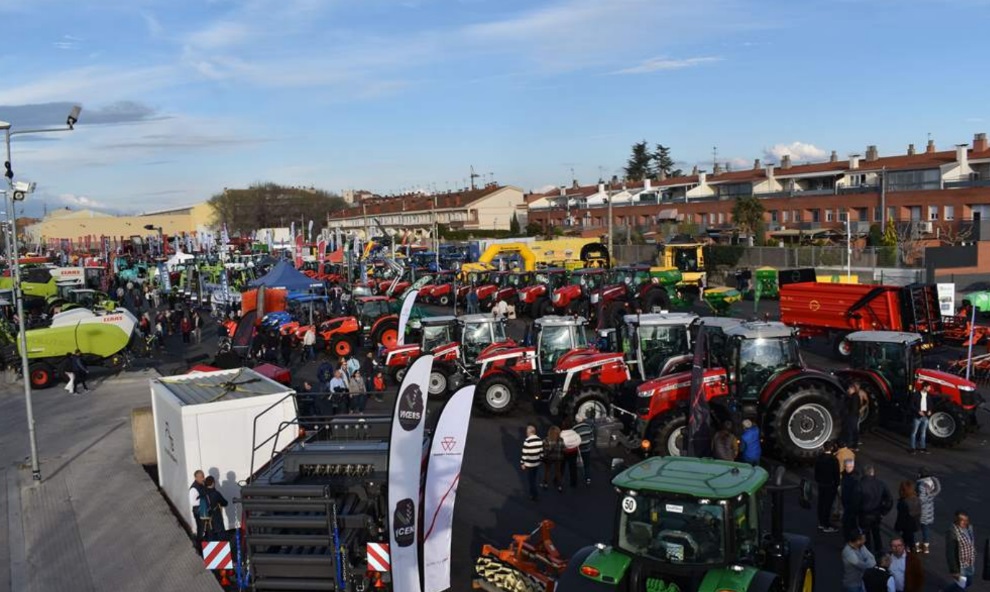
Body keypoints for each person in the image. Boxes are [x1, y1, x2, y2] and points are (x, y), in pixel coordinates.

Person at [860, 464, 893, 555]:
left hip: (864, 514)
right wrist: (884, 512)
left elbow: (855, 501)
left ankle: (867, 551)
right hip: (877, 514)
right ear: (872, 472)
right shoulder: (880, 484)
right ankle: (879, 550)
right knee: (876, 532)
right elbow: (889, 499)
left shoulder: (860, 485)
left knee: (865, 533)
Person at [945, 510, 976, 589]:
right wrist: (954, 570)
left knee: (969, 581)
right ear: (956, 520)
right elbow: (950, 553)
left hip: (969, 563)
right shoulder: (952, 532)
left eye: (966, 520)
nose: (964, 523)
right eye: (961, 520)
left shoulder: (969, 528)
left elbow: (970, 541)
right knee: (961, 586)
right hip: (960, 566)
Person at [815, 440, 841, 533]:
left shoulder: (819, 458)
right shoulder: (833, 460)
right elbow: (836, 474)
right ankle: (826, 524)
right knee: (828, 505)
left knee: (821, 503)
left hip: (821, 484)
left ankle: (821, 522)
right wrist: (837, 484)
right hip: (830, 485)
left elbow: (816, 472)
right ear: (832, 448)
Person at [916, 467, 941, 554]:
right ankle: (926, 546)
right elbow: (937, 490)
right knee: (926, 528)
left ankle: (917, 546)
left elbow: (921, 499)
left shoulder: (922, 484)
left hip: (921, 510)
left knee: (916, 528)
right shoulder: (931, 482)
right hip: (929, 509)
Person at [894, 482, 921, 551]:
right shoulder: (916, 499)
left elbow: (901, 517)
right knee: (910, 539)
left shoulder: (903, 502)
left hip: (906, 525)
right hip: (914, 523)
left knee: (906, 541)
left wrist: (897, 528)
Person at [907, 383, 933, 454]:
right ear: (924, 387)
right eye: (928, 387)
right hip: (917, 416)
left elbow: (930, 405)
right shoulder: (915, 394)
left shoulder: (928, 396)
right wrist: (918, 411)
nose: (929, 389)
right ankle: (912, 448)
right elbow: (911, 405)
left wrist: (930, 411)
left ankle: (922, 448)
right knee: (914, 432)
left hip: (925, 416)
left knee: (923, 433)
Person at [202, 476, 229, 541]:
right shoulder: (216, 494)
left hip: (206, 518)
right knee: (221, 535)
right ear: (213, 483)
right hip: (216, 517)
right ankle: (222, 550)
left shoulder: (202, 493)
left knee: (210, 536)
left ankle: (211, 550)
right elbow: (225, 503)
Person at [520, 425, 543, 501]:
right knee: (534, 477)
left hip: (529, 464)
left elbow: (524, 454)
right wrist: (541, 459)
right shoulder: (539, 440)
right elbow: (541, 452)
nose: (526, 433)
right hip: (536, 463)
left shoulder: (527, 441)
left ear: (530, 432)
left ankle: (534, 494)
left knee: (531, 480)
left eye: (527, 432)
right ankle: (533, 494)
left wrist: (522, 463)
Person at [841, 458, 863, 537]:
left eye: (849, 467)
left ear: (853, 467)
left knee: (849, 524)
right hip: (847, 504)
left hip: (851, 505)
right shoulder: (846, 475)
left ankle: (850, 540)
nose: (848, 468)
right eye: (846, 467)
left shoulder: (854, 479)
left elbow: (855, 494)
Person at [188, 470, 208, 552]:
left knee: (203, 528)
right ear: (196, 478)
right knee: (200, 529)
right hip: (198, 511)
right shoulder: (194, 489)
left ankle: (201, 545)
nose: (203, 478)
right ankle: (199, 547)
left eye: (203, 476)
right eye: (201, 477)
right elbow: (193, 502)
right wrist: (203, 501)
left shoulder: (201, 484)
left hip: (201, 509)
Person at [572, 414, 595, 486]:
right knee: (587, 464)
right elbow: (592, 438)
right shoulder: (588, 427)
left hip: (578, 450)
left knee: (577, 464)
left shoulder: (574, 428)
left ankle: (576, 479)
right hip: (587, 449)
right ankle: (588, 479)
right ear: (582, 419)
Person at [541, 426, 565, 492]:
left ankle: (545, 484)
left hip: (549, 458)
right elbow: (563, 449)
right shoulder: (561, 440)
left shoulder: (546, 440)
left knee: (547, 471)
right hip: (558, 458)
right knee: (558, 472)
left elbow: (543, 449)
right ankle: (559, 486)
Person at [844, 383, 865, 450]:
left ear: (852, 388)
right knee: (854, 430)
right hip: (854, 415)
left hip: (852, 416)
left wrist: (849, 415)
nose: (848, 390)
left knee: (850, 430)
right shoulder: (856, 396)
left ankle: (850, 445)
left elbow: (854, 407)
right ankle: (854, 445)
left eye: (849, 388)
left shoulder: (854, 397)